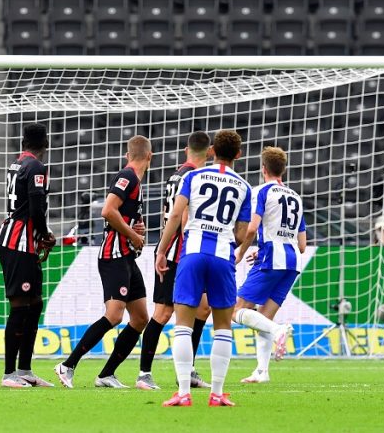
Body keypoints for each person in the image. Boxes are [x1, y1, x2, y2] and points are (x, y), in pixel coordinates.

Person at [155, 130, 251, 407]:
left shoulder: (193, 177)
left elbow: (175, 215)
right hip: (222, 256)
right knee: (222, 326)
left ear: (211, 152)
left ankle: (184, 392)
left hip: (192, 253)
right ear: (238, 155)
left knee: (183, 323)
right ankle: (217, 393)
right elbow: (242, 234)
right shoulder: (243, 186)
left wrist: (162, 250)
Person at [54, 135, 152, 388]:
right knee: (114, 315)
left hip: (127, 257)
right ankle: (67, 365)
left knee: (141, 318)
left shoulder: (135, 181)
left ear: (127, 154)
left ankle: (106, 374)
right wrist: (132, 234)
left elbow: (122, 215)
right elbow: (108, 210)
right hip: (113, 255)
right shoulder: (128, 177)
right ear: (149, 157)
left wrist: (135, 227)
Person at [137, 131, 213, 391]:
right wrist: (165, 249)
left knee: (203, 308)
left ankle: (188, 369)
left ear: (185, 150)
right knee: (163, 312)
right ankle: (143, 374)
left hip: (179, 250)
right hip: (178, 253)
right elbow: (180, 217)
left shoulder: (175, 176)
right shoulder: (195, 177)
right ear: (210, 152)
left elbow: (165, 213)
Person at [232, 146, 302, 384]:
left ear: (263, 169)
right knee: (263, 316)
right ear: (283, 169)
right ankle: (262, 371)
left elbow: (251, 227)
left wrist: (241, 251)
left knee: (236, 310)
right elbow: (302, 244)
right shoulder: (295, 196)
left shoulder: (260, 191)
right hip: (292, 262)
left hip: (271, 258)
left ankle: (279, 331)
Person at [0, 122, 55, 388]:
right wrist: (45, 235)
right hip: (18, 242)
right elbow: (35, 207)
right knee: (20, 305)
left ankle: (25, 369)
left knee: (35, 303)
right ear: (45, 143)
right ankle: (9, 373)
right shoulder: (36, 167)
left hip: (17, 239)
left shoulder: (16, 164)